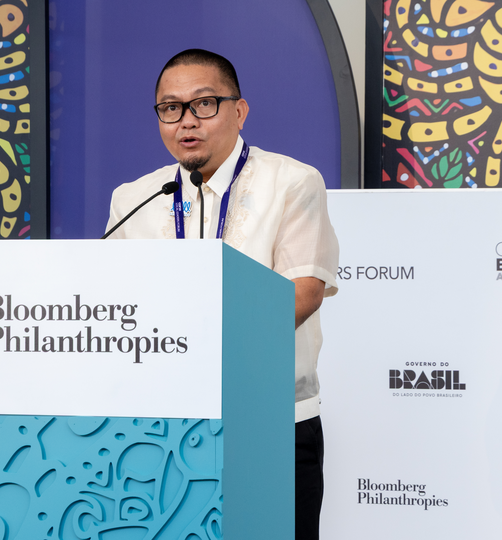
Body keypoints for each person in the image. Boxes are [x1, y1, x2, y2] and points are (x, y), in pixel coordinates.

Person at [105, 48, 339, 539]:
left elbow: (304, 291)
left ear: (239, 110)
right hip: (162, 426)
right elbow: (115, 301)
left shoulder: (292, 182)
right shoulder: (135, 198)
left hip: (270, 421)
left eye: (204, 104)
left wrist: (204, 342)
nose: (186, 121)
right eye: (170, 108)